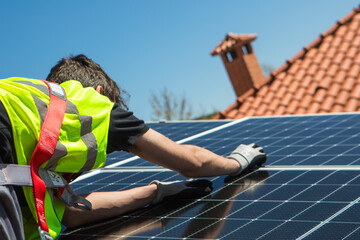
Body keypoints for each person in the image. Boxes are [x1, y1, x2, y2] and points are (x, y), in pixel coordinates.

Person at [0, 54, 266, 240]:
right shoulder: (92, 105)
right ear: (101, 91)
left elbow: (72, 213)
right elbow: (190, 162)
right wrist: (237, 162)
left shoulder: (29, 108)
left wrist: (156, 193)